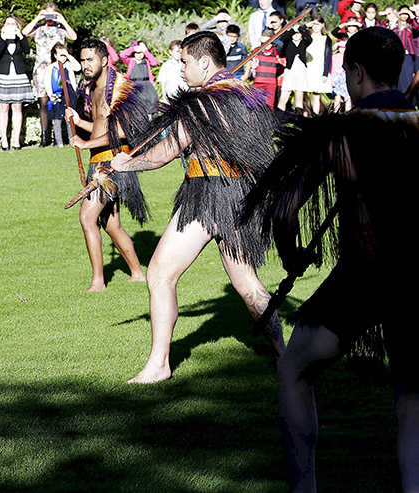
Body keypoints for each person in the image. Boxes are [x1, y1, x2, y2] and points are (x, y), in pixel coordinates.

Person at [241, 26, 418, 491]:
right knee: (411, 397)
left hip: (366, 273)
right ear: (400, 69)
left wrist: (293, 251)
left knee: (295, 369)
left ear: (357, 73)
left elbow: (283, 209)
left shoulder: (343, 133)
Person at [104, 31, 285, 383]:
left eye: (185, 61)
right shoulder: (243, 93)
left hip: (208, 194)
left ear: (204, 60)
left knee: (160, 273)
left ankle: (159, 365)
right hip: (240, 195)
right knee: (247, 283)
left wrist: (126, 163)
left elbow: (166, 151)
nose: (182, 69)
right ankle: (285, 357)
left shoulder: (204, 101)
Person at [66, 39, 149, 290]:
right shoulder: (95, 90)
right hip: (100, 160)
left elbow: (124, 131)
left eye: (89, 60)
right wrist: (80, 123)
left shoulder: (119, 87)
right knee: (111, 224)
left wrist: (85, 144)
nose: (84, 65)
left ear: (104, 60)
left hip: (112, 163)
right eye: (82, 60)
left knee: (87, 217)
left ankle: (98, 281)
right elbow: (101, 129)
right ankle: (137, 273)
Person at [22, 2, 78, 147]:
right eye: (47, 15)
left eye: (52, 15)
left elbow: (74, 37)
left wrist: (62, 20)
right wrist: (38, 18)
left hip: (58, 68)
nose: (49, 18)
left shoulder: (60, 30)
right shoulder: (39, 29)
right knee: (43, 102)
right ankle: (44, 135)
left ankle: (61, 135)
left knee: (61, 99)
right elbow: (25, 33)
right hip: (41, 68)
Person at [0, 14, 34, 151]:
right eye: (7, 24)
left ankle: (16, 140)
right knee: (3, 108)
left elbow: (27, 51)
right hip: (3, 76)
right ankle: (4, 140)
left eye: (13, 24)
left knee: (17, 107)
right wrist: (4, 38)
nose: (10, 26)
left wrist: (21, 36)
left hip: (18, 76)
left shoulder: (20, 39)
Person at [45, 43, 81, 148]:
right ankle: (59, 142)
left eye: (65, 55)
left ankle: (71, 139)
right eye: (61, 55)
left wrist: (68, 56)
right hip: (57, 94)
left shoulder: (68, 66)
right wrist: (50, 94)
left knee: (70, 117)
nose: (63, 58)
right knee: (57, 118)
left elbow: (78, 67)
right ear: (55, 55)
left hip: (69, 93)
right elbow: (47, 81)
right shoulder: (51, 67)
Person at [277, 23, 312, 113]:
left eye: (298, 33)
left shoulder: (304, 43)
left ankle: (298, 116)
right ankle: (281, 116)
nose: (296, 35)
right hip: (290, 70)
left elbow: (309, 39)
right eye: (294, 34)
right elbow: (282, 38)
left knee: (299, 94)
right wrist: (292, 29)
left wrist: (301, 28)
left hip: (301, 70)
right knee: (285, 92)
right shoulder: (288, 43)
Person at [119, 41, 160, 114]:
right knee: (136, 105)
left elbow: (154, 62)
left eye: (141, 52)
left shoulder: (146, 61)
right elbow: (122, 55)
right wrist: (133, 48)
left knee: (151, 102)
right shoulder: (130, 61)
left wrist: (146, 51)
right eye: (137, 53)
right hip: (134, 84)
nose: (139, 55)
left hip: (147, 85)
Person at [305, 15, 334, 114]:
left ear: (322, 25)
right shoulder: (306, 37)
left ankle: (315, 116)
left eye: (318, 24)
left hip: (319, 69)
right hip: (307, 68)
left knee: (317, 95)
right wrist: (306, 25)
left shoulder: (326, 39)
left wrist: (325, 73)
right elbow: (299, 31)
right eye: (314, 24)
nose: (316, 27)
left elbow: (328, 57)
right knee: (305, 93)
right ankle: (305, 115)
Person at [250, 29, 286, 108]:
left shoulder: (275, 50)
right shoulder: (256, 50)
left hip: (271, 82)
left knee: (270, 104)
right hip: (258, 81)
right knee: (257, 103)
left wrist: (270, 40)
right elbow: (251, 63)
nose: (266, 44)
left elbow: (281, 45)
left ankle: (270, 119)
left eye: (269, 41)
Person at [392, 5, 419, 94]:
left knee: (407, 79)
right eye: (402, 13)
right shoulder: (395, 24)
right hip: (396, 54)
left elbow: (417, 26)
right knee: (397, 79)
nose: (404, 15)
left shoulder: (411, 25)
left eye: (406, 13)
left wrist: (411, 14)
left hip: (408, 55)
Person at [330, 34, 353, 111]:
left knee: (348, 98)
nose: (342, 49)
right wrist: (332, 80)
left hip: (347, 78)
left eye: (344, 47)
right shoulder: (334, 57)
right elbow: (332, 69)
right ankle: (335, 112)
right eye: (341, 47)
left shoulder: (350, 57)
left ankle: (348, 114)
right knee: (337, 97)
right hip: (337, 79)